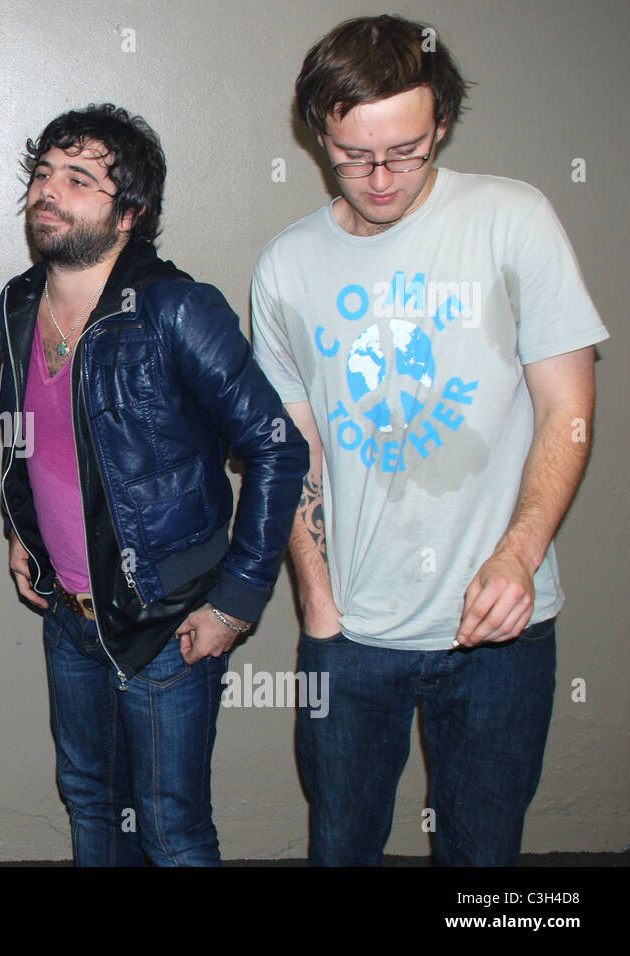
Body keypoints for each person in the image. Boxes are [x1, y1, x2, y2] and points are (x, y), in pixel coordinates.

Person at [251, 15, 607, 866]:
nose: (379, 177)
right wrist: (319, 606)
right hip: (352, 636)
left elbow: (568, 412)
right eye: (352, 154)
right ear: (317, 135)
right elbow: (290, 450)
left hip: (500, 635)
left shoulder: (513, 218)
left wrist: (520, 555)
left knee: (483, 864)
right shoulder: (286, 266)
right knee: (341, 849)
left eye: (406, 151)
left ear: (441, 122)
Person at [0, 104, 308, 866]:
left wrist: (234, 604)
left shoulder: (175, 308)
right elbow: (17, 421)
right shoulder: (18, 300)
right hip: (70, 615)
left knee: (171, 830)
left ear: (130, 213)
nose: (49, 191)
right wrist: (19, 528)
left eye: (79, 179)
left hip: (166, 620)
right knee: (91, 801)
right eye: (43, 173)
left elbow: (278, 449)